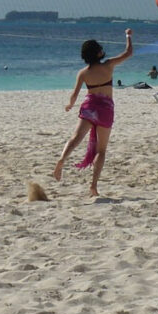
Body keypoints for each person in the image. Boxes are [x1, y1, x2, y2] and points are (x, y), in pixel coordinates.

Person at [53, 29, 133, 197]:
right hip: (105, 110)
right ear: (98, 53)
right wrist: (128, 36)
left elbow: (74, 94)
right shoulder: (109, 65)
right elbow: (128, 52)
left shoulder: (83, 73)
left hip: (90, 107)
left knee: (75, 138)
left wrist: (70, 105)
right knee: (101, 151)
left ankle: (62, 159)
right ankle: (93, 186)